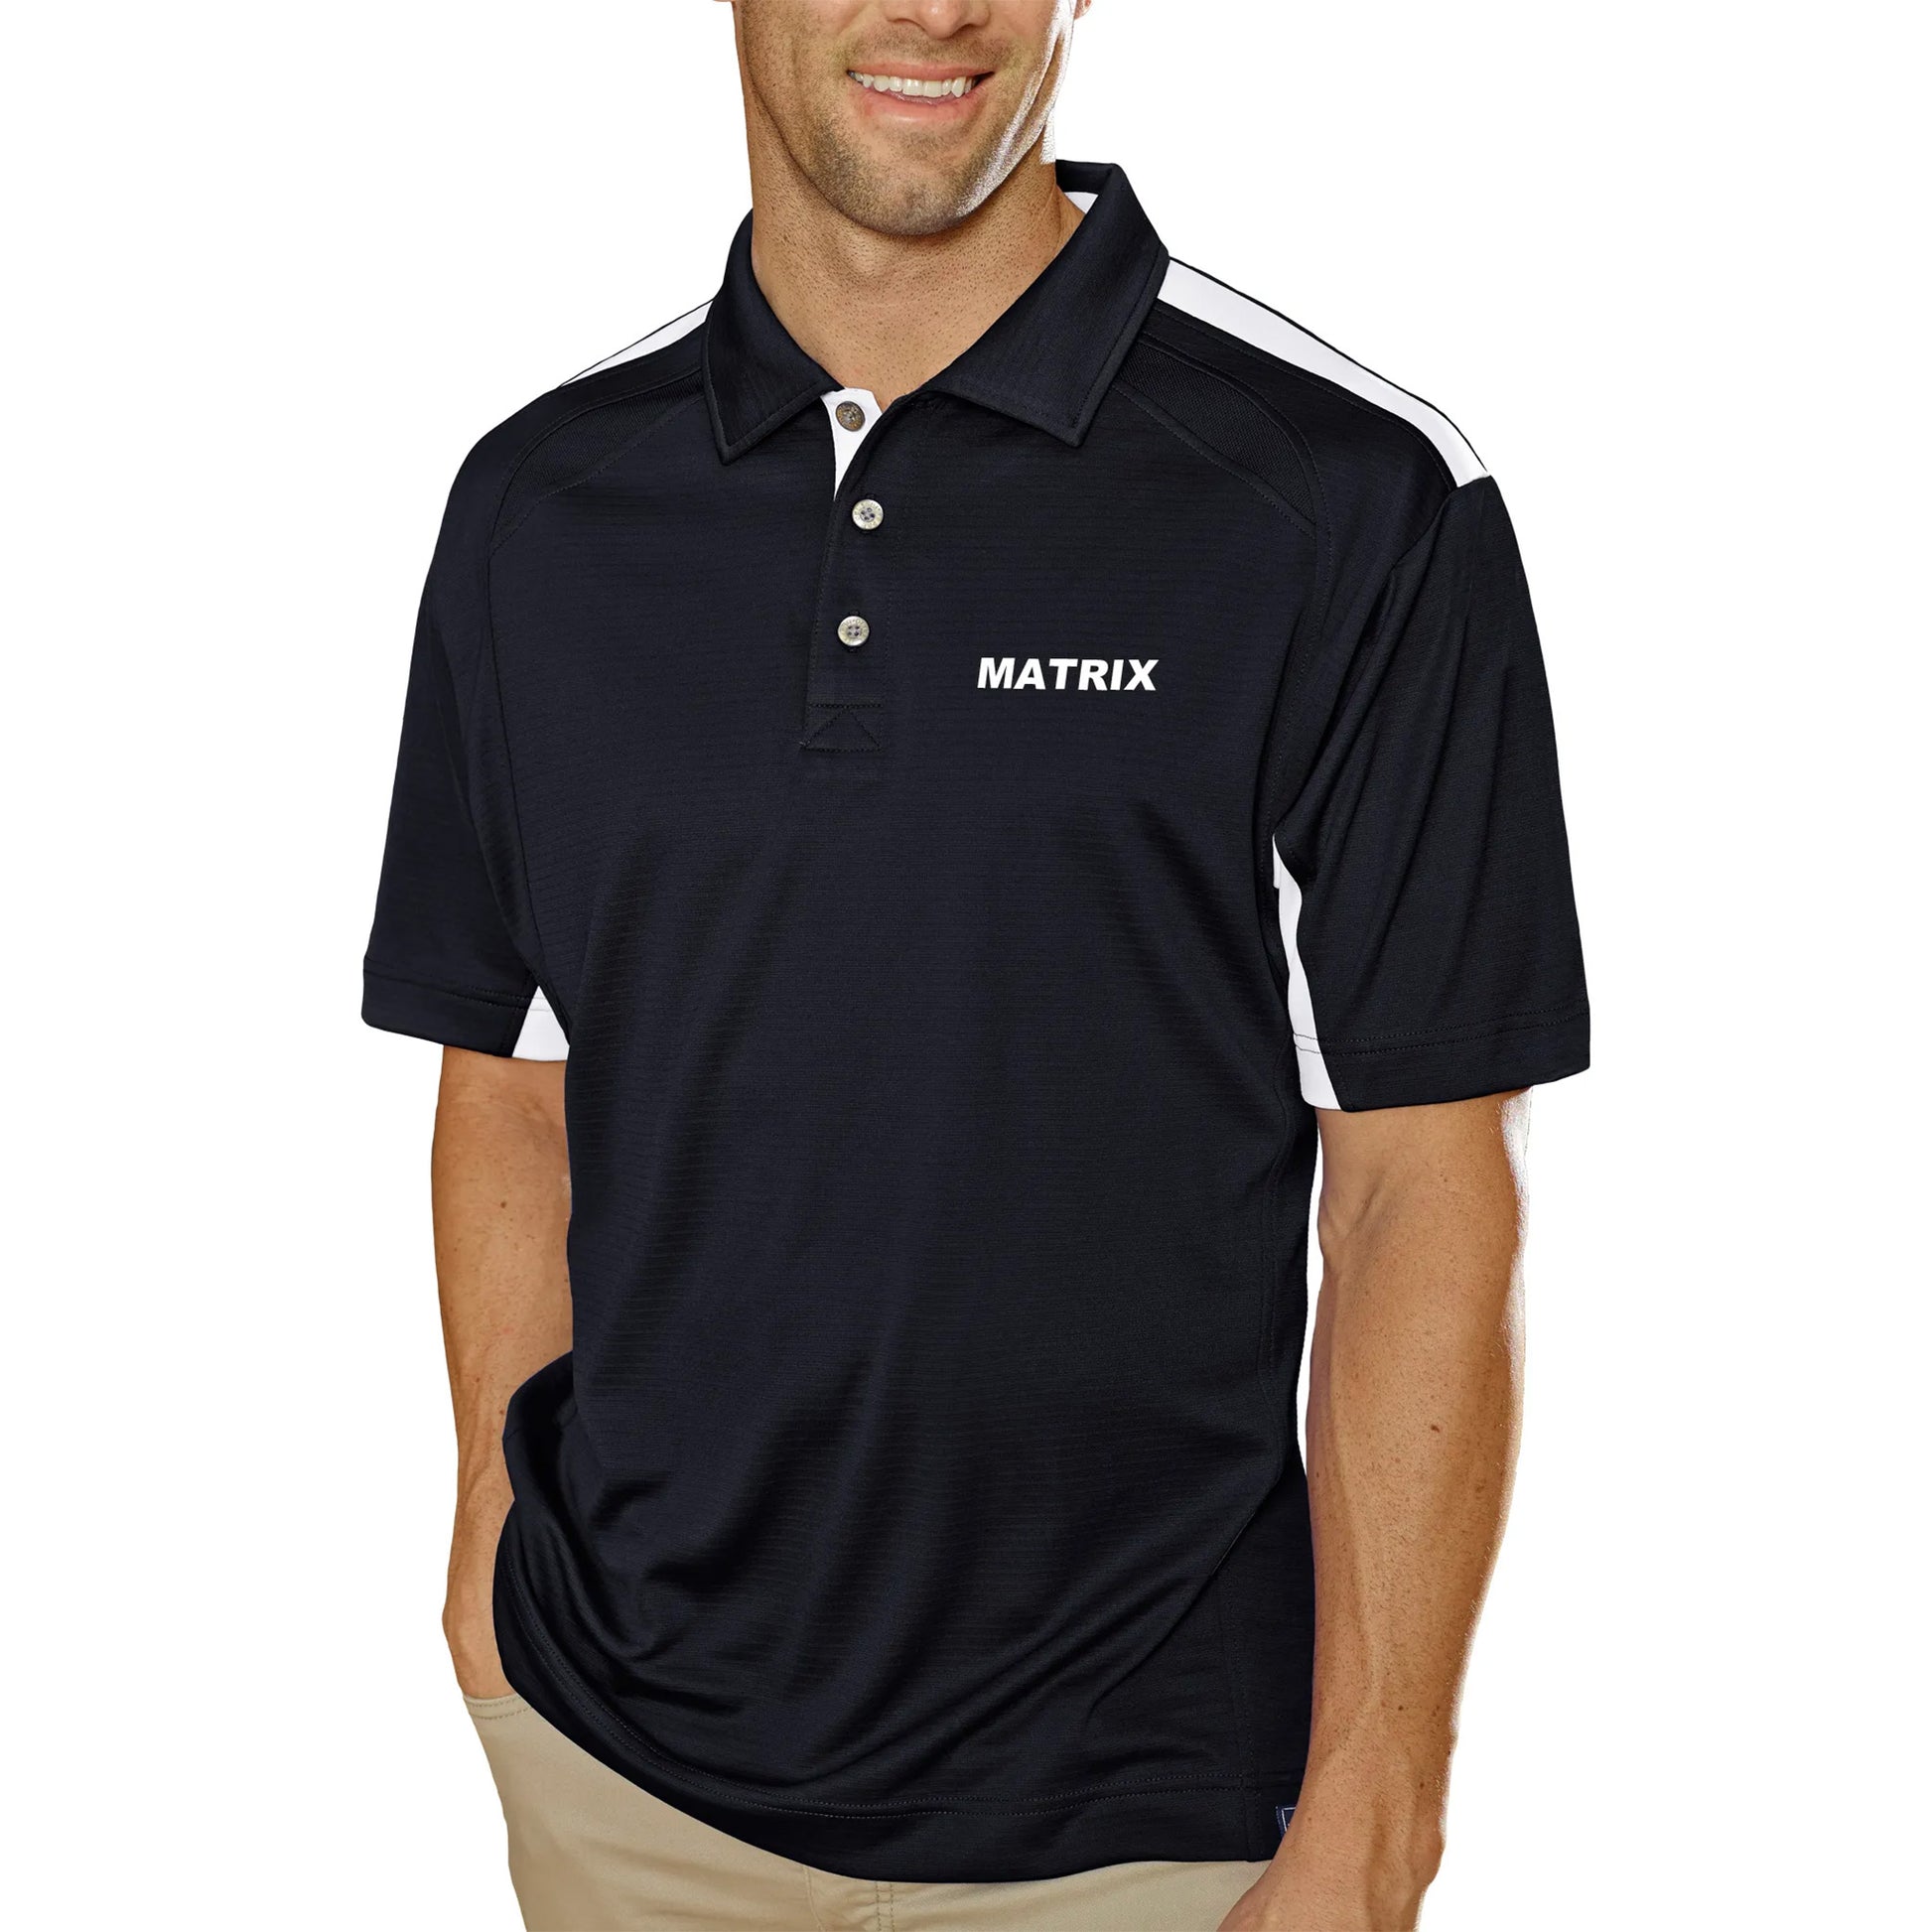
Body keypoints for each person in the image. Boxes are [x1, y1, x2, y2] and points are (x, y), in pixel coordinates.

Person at [362, 2, 1588, 1925]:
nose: (937, 9)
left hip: (1139, 1821)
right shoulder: (539, 508)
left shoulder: (1347, 498)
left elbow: (1420, 1178)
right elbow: (514, 1076)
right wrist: (487, 1572)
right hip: (618, 1779)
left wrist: (1372, 1816)